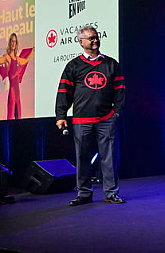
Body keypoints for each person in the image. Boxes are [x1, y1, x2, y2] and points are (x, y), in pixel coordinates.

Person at [56, 25, 126, 206]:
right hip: (81, 120)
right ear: (81, 42)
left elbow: (120, 89)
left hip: (106, 119)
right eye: (90, 38)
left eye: (96, 37)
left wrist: (116, 111)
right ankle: (84, 194)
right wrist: (61, 115)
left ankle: (111, 193)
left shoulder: (111, 64)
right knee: (82, 158)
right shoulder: (73, 65)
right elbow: (64, 91)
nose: (95, 40)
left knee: (109, 158)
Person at [0, 33, 34, 119]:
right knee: (10, 118)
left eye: (15, 42)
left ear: (16, 44)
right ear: (10, 43)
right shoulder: (7, 58)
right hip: (12, 93)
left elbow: (27, 60)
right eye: (12, 41)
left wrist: (33, 51)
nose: (13, 43)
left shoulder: (18, 59)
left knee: (19, 118)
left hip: (18, 94)